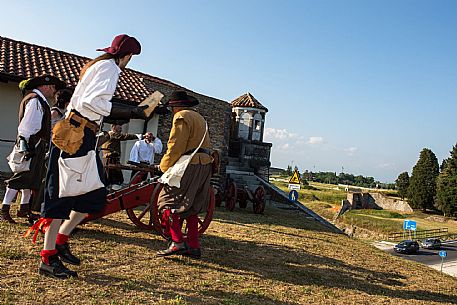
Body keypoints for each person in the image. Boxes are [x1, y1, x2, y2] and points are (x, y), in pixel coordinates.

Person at [29, 34, 149, 279]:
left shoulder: (98, 65)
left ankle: (61, 238)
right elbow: (93, 102)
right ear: (127, 56)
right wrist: (134, 110)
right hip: (76, 136)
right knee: (60, 194)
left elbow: (94, 105)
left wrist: (129, 112)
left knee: (94, 195)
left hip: (83, 135)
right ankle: (48, 257)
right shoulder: (109, 68)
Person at [1, 75, 65, 224]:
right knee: (21, 177)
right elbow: (27, 126)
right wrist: (27, 145)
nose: (54, 91)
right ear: (46, 86)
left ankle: (24, 209)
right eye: (53, 87)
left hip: (36, 143)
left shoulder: (39, 100)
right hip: (32, 144)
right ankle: (4, 209)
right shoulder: (35, 100)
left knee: (32, 179)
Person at [156, 90, 212, 259]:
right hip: (204, 164)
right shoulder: (200, 118)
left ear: (175, 106)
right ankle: (194, 245)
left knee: (166, 202)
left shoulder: (181, 117)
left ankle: (177, 242)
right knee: (191, 206)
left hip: (190, 165)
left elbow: (175, 146)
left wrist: (163, 166)